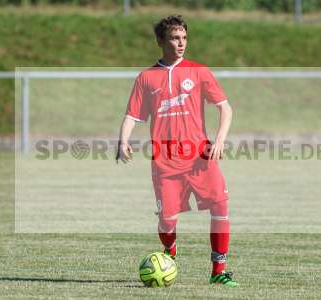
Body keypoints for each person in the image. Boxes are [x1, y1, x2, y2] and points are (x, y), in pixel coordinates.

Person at [117, 15, 237, 286]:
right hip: (166, 161)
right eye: (174, 38)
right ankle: (169, 252)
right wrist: (123, 141)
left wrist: (219, 139)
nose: (180, 43)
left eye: (184, 38)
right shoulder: (146, 78)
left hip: (200, 157)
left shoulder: (199, 71)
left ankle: (219, 271)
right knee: (167, 221)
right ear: (161, 41)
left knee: (220, 207)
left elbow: (225, 108)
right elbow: (132, 116)